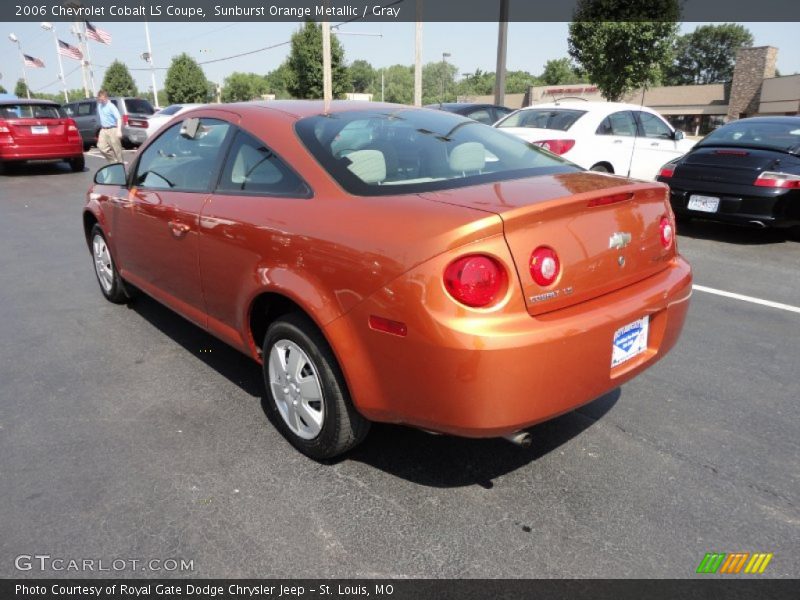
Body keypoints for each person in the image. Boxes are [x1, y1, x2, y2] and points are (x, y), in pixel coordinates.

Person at [96, 90, 124, 164]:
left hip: (113, 129)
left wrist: (119, 130)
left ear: (106, 97)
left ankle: (120, 164)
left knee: (116, 149)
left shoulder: (111, 106)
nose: (101, 101)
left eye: (102, 99)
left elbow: (119, 118)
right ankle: (113, 162)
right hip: (103, 129)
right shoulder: (99, 106)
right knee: (101, 147)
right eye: (100, 99)